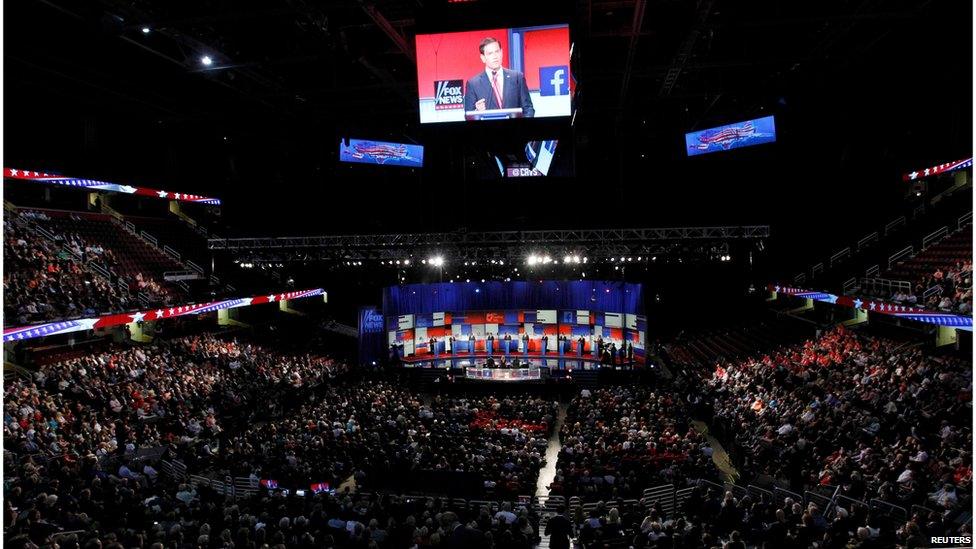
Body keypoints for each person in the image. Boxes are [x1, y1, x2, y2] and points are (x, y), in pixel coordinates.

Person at [463, 37, 535, 118]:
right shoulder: (473, 84)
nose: (495, 56)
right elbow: (468, 116)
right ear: (483, 58)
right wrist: (477, 112)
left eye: (497, 51)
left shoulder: (517, 77)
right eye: (490, 53)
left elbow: (528, 109)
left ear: (502, 52)